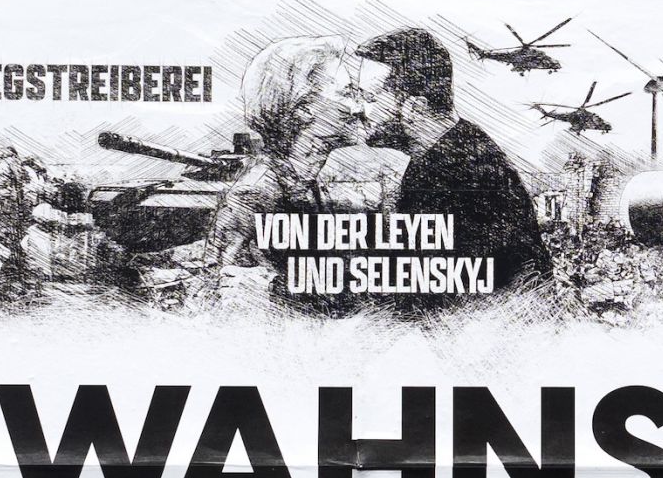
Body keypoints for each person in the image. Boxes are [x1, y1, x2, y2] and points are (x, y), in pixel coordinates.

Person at [351, 26, 553, 308]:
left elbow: (427, 302)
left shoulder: (454, 175)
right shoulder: (451, 155)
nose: (357, 110)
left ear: (414, 109)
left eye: (369, 98)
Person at [185, 35, 364, 305]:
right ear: (302, 109)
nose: (359, 108)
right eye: (348, 94)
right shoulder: (254, 195)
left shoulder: (308, 185)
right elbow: (213, 297)